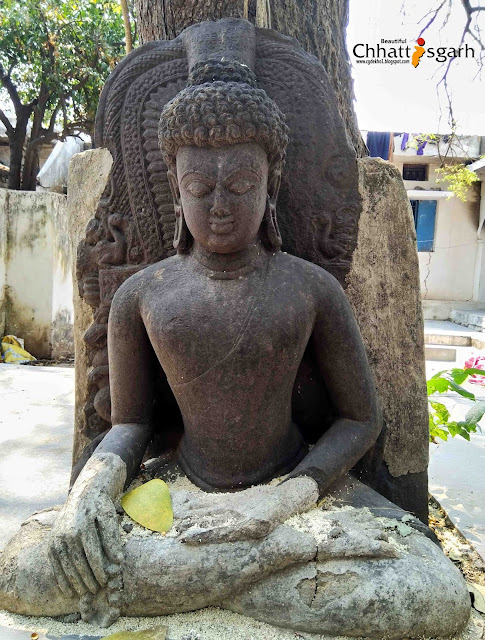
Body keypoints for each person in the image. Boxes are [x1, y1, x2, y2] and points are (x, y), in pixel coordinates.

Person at [0, 61, 470, 638]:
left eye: (241, 185)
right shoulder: (140, 296)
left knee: (437, 592)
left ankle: (202, 579)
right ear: (176, 188)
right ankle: (266, 572)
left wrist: (279, 504)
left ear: (270, 184)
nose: (219, 204)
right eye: (200, 188)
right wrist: (91, 490)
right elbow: (128, 425)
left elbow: (360, 416)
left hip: (298, 492)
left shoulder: (309, 287)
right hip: (181, 493)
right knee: (20, 571)